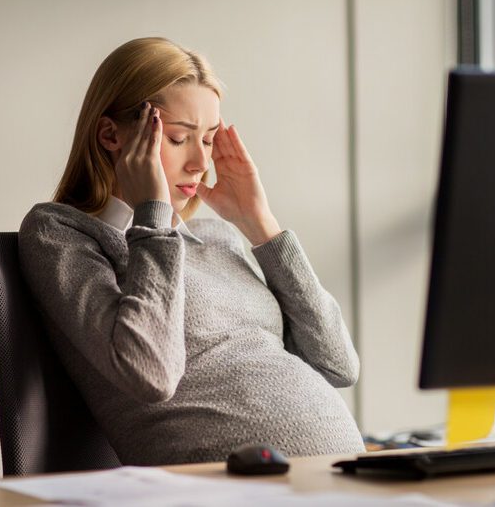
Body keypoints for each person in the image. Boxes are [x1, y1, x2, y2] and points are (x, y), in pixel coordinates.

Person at [18, 37, 365, 465]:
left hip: (337, 477)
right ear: (111, 135)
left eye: (209, 140)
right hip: (230, 488)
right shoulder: (61, 232)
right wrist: (154, 217)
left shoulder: (217, 237)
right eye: (180, 139)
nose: (201, 163)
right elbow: (150, 374)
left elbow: (337, 365)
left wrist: (261, 226)